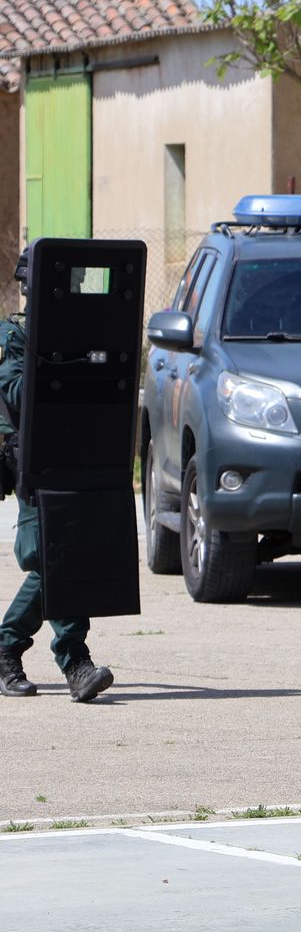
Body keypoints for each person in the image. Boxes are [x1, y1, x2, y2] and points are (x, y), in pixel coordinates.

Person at [0, 252, 114, 702]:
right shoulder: (16, 336)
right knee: (50, 561)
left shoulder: (84, 336)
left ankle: (16, 647)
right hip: (36, 464)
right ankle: (71, 659)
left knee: (69, 560)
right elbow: (17, 391)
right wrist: (59, 359)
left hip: (80, 462)